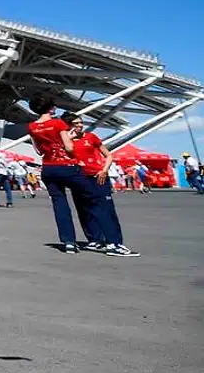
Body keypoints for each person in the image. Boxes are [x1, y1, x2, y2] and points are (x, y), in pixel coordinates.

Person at [27, 93, 101, 255]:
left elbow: (39, 150)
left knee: (60, 205)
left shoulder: (32, 127)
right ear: (51, 107)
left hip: (49, 168)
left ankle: (68, 242)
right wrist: (72, 144)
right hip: (67, 166)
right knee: (92, 198)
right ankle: (99, 237)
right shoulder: (58, 123)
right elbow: (69, 147)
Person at [64, 113, 138, 256]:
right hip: (78, 178)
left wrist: (104, 170)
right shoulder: (65, 141)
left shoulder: (90, 137)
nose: (80, 125)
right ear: (68, 126)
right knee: (84, 209)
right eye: (75, 123)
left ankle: (114, 243)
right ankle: (95, 239)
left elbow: (109, 155)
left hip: (97, 177)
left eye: (80, 123)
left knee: (106, 210)